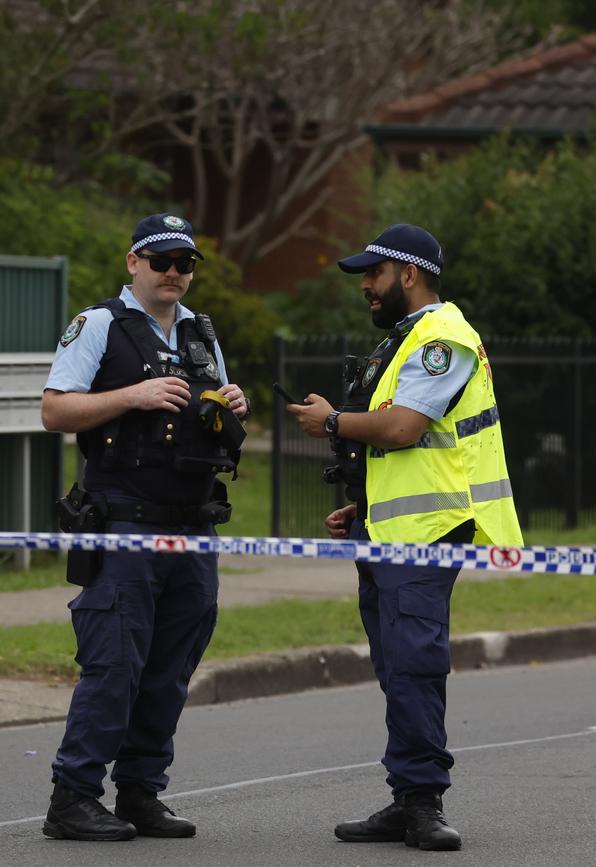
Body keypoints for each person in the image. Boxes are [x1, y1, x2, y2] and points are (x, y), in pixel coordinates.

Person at [288, 223, 523, 852]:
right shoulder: (406, 339)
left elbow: (402, 428)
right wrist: (361, 507)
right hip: (388, 532)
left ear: (409, 274)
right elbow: (406, 450)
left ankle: (422, 802)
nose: (366, 285)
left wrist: (332, 420)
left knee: (414, 667)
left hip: (423, 537)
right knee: (397, 666)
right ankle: (406, 797)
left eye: (374, 273)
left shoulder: (442, 338)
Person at [41, 213, 249, 842]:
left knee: (171, 665)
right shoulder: (100, 324)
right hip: (125, 521)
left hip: (191, 525)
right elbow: (55, 409)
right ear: (133, 262)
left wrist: (230, 403)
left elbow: (207, 415)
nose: (174, 273)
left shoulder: (199, 332)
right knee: (115, 662)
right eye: (161, 260)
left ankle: (139, 791)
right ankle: (73, 796)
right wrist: (132, 395)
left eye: (185, 263)